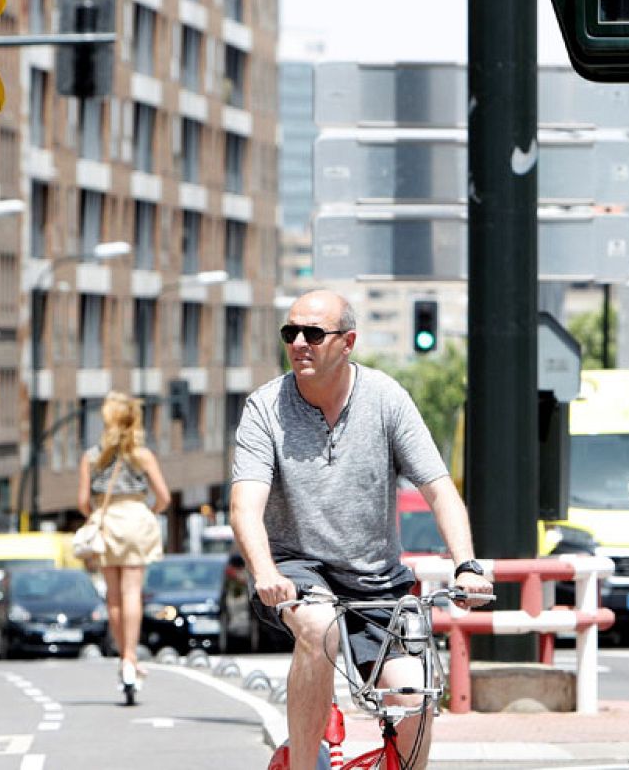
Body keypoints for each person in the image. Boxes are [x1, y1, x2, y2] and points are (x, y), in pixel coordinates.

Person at [230, 290, 492, 770]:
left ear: (348, 341)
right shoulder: (265, 408)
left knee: (413, 694)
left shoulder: (387, 399)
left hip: (376, 580)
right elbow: (245, 508)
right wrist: (265, 570)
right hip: (296, 569)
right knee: (318, 624)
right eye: (291, 333)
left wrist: (467, 565)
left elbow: (439, 491)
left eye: (313, 333)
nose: (299, 344)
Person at [76, 391, 171, 695]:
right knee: (133, 592)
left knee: (113, 596)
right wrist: (148, 513)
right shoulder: (142, 455)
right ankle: (132, 656)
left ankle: (123, 657)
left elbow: (82, 502)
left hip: (108, 521)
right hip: (136, 518)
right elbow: (164, 498)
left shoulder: (91, 456)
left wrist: (98, 517)